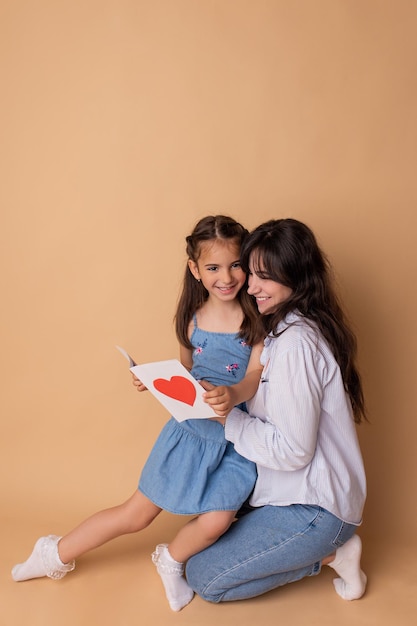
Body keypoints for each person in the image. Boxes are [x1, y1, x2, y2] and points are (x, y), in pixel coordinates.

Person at [12, 215, 263, 612]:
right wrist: (156, 381)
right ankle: (53, 554)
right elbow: (184, 375)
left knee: (217, 521)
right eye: (213, 267)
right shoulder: (191, 318)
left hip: (236, 438)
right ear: (195, 269)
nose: (227, 277)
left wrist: (232, 393)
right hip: (191, 435)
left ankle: (171, 560)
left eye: (235, 265)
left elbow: (255, 376)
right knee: (136, 515)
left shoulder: (258, 321)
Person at [187, 217, 367, 604]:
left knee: (203, 576)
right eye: (250, 274)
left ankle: (335, 554)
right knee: (200, 528)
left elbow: (293, 450)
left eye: (263, 277)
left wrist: (228, 419)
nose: (250, 288)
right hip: (287, 494)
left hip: (315, 510)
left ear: (296, 277)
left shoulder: (295, 344)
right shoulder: (280, 328)